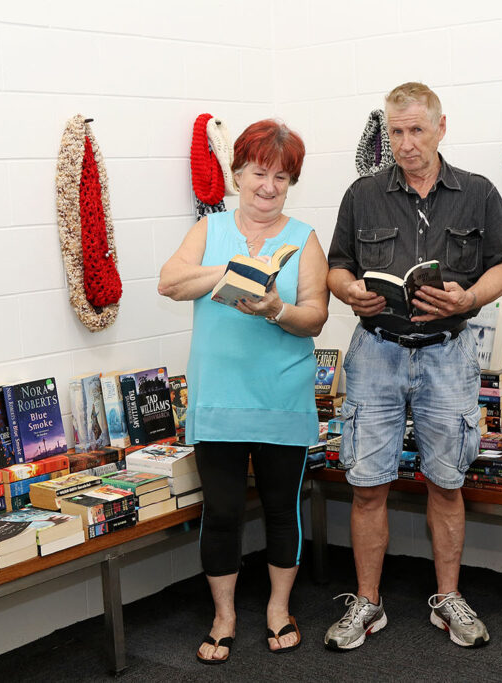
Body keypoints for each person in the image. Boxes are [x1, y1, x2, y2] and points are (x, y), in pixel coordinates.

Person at [324, 83, 502, 651]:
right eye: (395, 131)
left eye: (416, 130)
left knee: (447, 481)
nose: (406, 143)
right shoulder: (362, 194)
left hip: (448, 352)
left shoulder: (478, 192)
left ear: (442, 127)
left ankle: (448, 599)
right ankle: (367, 603)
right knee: (367, 485)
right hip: (377, 351)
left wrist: (468, 299)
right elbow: (337, 268)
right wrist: (351, 293)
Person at [159, 119, 329, 664]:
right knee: (224, 511)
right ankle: (225, 616)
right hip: (219, 397)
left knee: (283, 508)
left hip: (282, 397)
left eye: (281, 177)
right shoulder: (209, 231)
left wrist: (275, 308)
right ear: (237, 174)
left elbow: (315, 318)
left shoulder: (304, 239)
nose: (269, 186)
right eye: (259, 173)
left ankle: (279, 609)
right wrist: (233, 271)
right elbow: (169, 281)